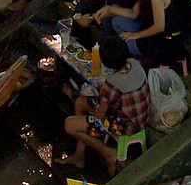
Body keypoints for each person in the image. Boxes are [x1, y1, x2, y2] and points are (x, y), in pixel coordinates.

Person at [55, 35, 152, 175]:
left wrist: (89, 121)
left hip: (126, 126)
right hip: (140, 117)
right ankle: (79, 156)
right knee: (80, 102)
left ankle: (108, 153)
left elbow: (99, 117)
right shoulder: (134, 64)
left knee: (69, 125)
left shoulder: (112, 83)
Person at [121, 0, 186, 66]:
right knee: (117, 22)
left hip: (164, 41)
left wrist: (136, 35)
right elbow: (133, 13)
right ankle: (141, 55)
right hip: (150, 31)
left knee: (122, 45)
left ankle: (144, 57)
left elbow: (159, 27)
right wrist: (109, 9)